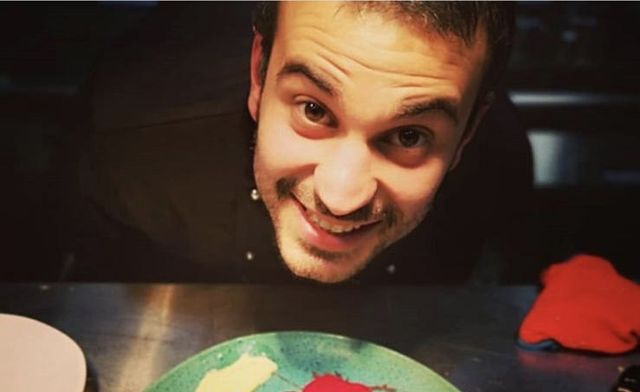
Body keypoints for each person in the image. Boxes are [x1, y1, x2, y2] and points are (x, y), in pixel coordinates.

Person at [63, 1, 535, 284]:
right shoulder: (132, 147)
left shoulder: (498, 171)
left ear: (468, 133)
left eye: (408, 136)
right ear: (259, 73)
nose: (340, 198)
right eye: (314, 110)